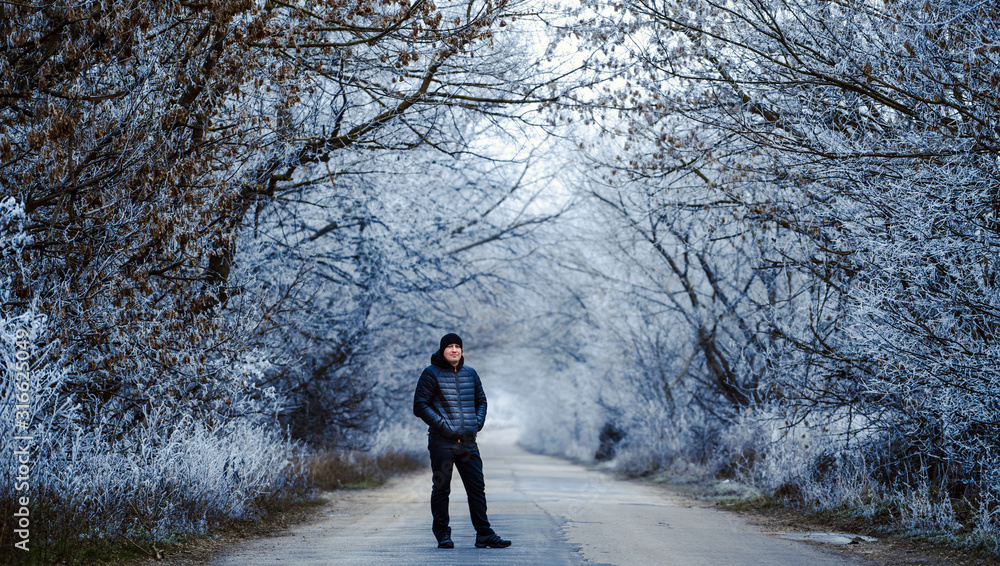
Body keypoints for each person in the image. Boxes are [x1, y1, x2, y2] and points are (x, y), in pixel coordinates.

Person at [412, 333, 512, 549]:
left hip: (468, 444)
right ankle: (443, 535)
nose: (455, 350)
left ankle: (484, 534)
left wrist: (476, 424)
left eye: (458, 346)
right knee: (442, 489)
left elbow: (481, 401)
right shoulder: (431, 374)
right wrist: (443, 425)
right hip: (442, 443)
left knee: (477, 489)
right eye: (450, 346)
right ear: (442, 350)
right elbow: (419, 405)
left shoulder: (470, 373)